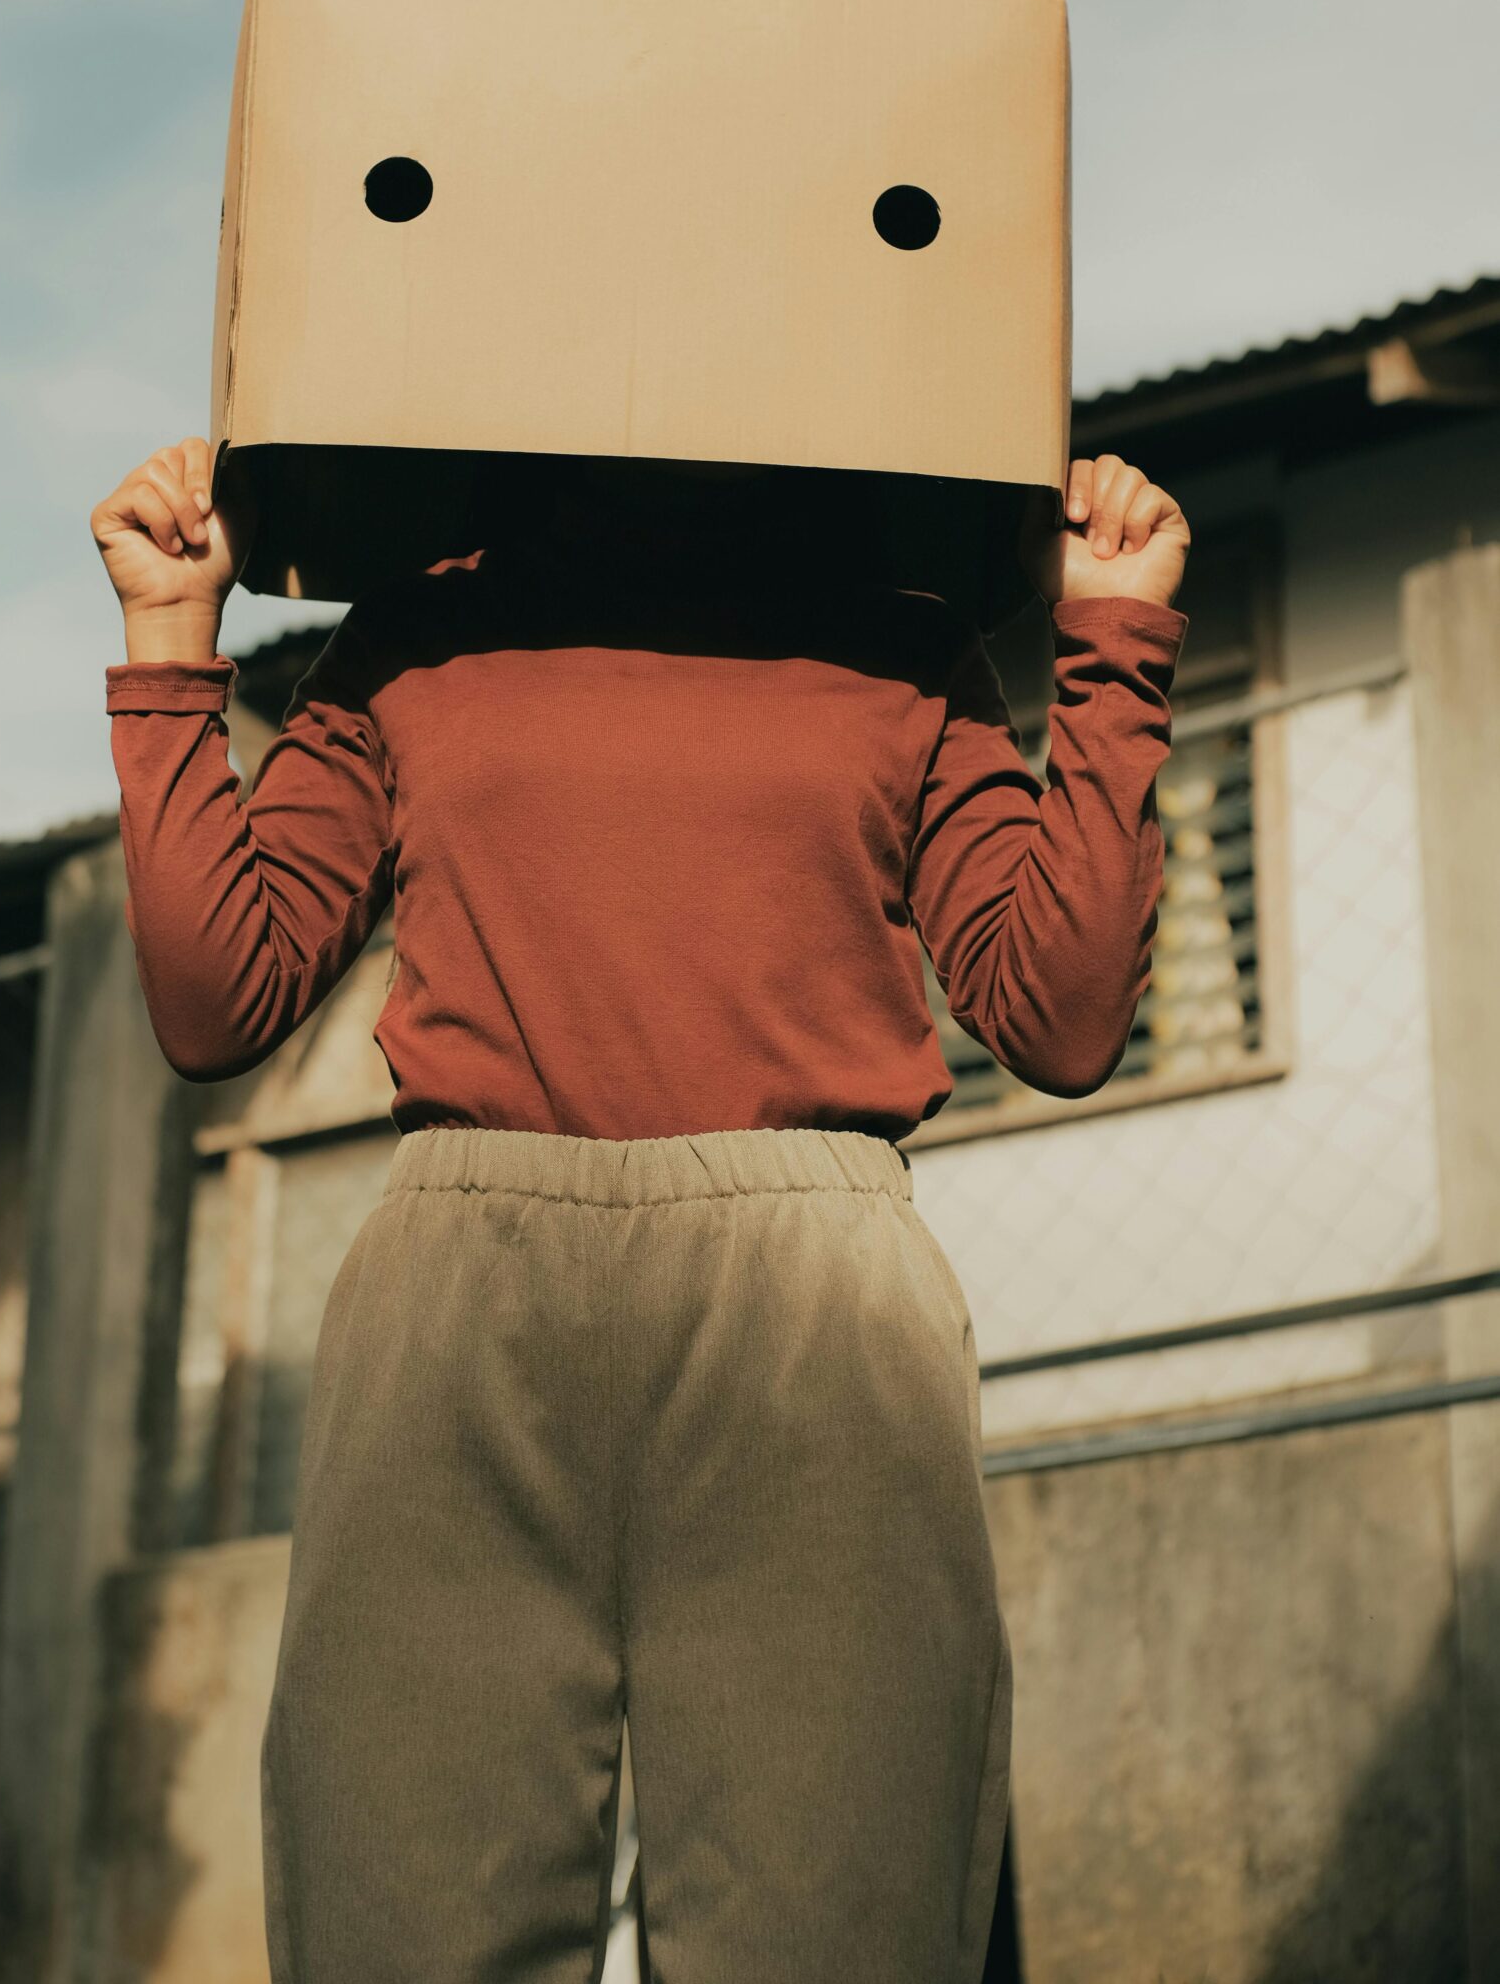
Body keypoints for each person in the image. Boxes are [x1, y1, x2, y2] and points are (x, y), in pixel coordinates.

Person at [92, 439, 1189, 1984]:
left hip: (814, 1295)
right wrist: (168, 642)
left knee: (839, 1920)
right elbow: (219, 1001)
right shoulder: (421, 628)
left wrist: (1115, 642)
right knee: (402, 1908)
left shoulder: (897, 630)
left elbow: (1062, 1022)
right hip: (465, 1280)